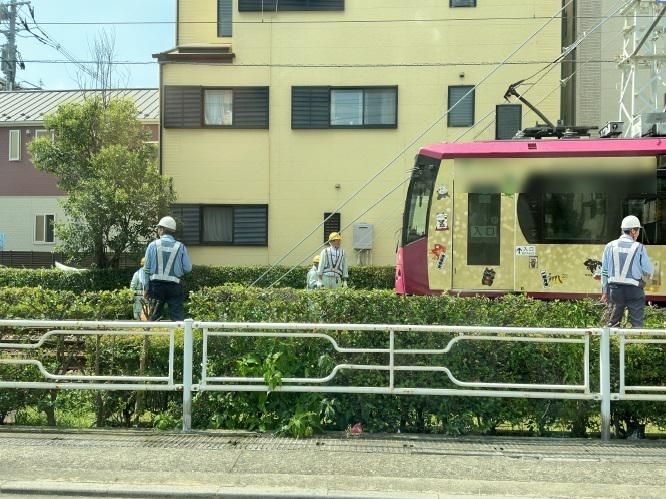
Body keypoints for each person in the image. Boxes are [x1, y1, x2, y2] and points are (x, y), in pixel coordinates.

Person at [601, 215, 654, 328]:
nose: (638, 233)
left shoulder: (609, 246)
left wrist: (605, 291)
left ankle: (611, 338)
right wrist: (645, 280)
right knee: (637, 324)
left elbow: (604, 271)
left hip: (614, 290)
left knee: (612, 323)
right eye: (638, 230)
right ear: (633, 231)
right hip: (634, 290)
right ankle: (635, 337)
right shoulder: (639, 247)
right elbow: (648, 270)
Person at [143, 216, 192, 321]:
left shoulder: (152, 245)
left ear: (162, 229)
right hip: (174, 286)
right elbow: (188, 268)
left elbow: (146, 269)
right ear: (173, 231)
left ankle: (151, 331)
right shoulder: (180, 247)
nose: (158, 230)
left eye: (158, 228)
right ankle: (179, 332)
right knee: (177, 319)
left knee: (153, 317)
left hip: (155, 286)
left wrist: (146, 288)